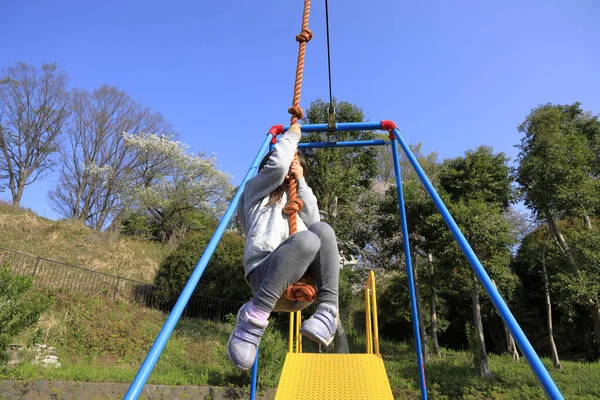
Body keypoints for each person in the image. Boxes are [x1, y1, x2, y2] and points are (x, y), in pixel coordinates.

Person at [227, 123, 341, 371]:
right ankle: (253, 318)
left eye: (296, 166)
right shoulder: (255, 193)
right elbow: (277, 167)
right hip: (266, 280)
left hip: (301, 294)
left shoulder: (298, 201)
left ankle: (328, 311)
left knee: (322, 231)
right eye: (289, 163)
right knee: (307, 239)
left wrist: (300, 180)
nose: (290, 168)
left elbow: (317, 225)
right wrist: (292, 137)